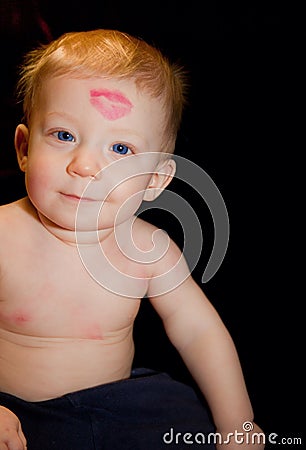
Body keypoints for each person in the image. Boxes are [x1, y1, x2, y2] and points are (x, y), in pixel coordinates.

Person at [0, 29, 264, 449]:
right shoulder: (4, 235)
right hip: (17, 415)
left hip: (118, 406)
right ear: (24, 147)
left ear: (156, 180)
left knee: (182, 418)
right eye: (63, 136)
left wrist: (239, 423)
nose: (85, 165)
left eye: (120, 150)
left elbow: (198, 330)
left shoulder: (149, 251)